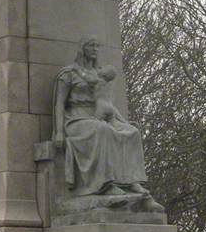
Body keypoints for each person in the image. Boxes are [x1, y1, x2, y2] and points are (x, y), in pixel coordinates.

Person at [53, 37, 152, 197]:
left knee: (132, 132)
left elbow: (106, 103)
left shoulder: (100, 74)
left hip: (99, 117)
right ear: (82, 48)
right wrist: (59, 132)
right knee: (102, 130)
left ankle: (132, 182)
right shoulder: (68, 74)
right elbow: (59, 104)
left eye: (97, 46)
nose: (95, 49)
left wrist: (123, 121)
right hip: (76, 119)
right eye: (91, 45)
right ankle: (106, 184)